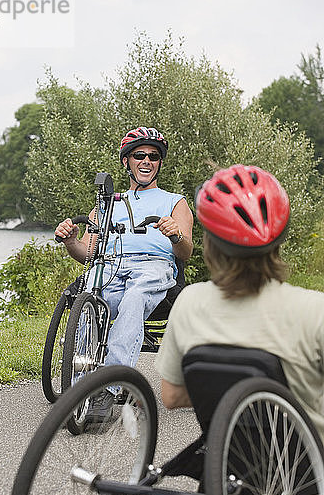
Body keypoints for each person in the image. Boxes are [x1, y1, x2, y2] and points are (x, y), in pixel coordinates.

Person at [155, 164, 324, 443]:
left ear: (210, 242)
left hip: (229, 467)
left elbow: (171, 395)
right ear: (279, 239)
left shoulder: (189, 302)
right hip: (306, 472)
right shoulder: (313, 310)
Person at [55, 126, 194, 417]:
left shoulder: (175, 201)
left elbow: (186, 252)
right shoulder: (107, 202)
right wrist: (70, 240)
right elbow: (88, 253)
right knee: (88, 296)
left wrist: (175, 235)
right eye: (139, 155)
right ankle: (81, 386)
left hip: (153, 268)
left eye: (153, 156)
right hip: (110, 265)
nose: (146, 161)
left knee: (134, 298)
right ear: (126, 162)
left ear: (159, 162)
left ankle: (109, 387)